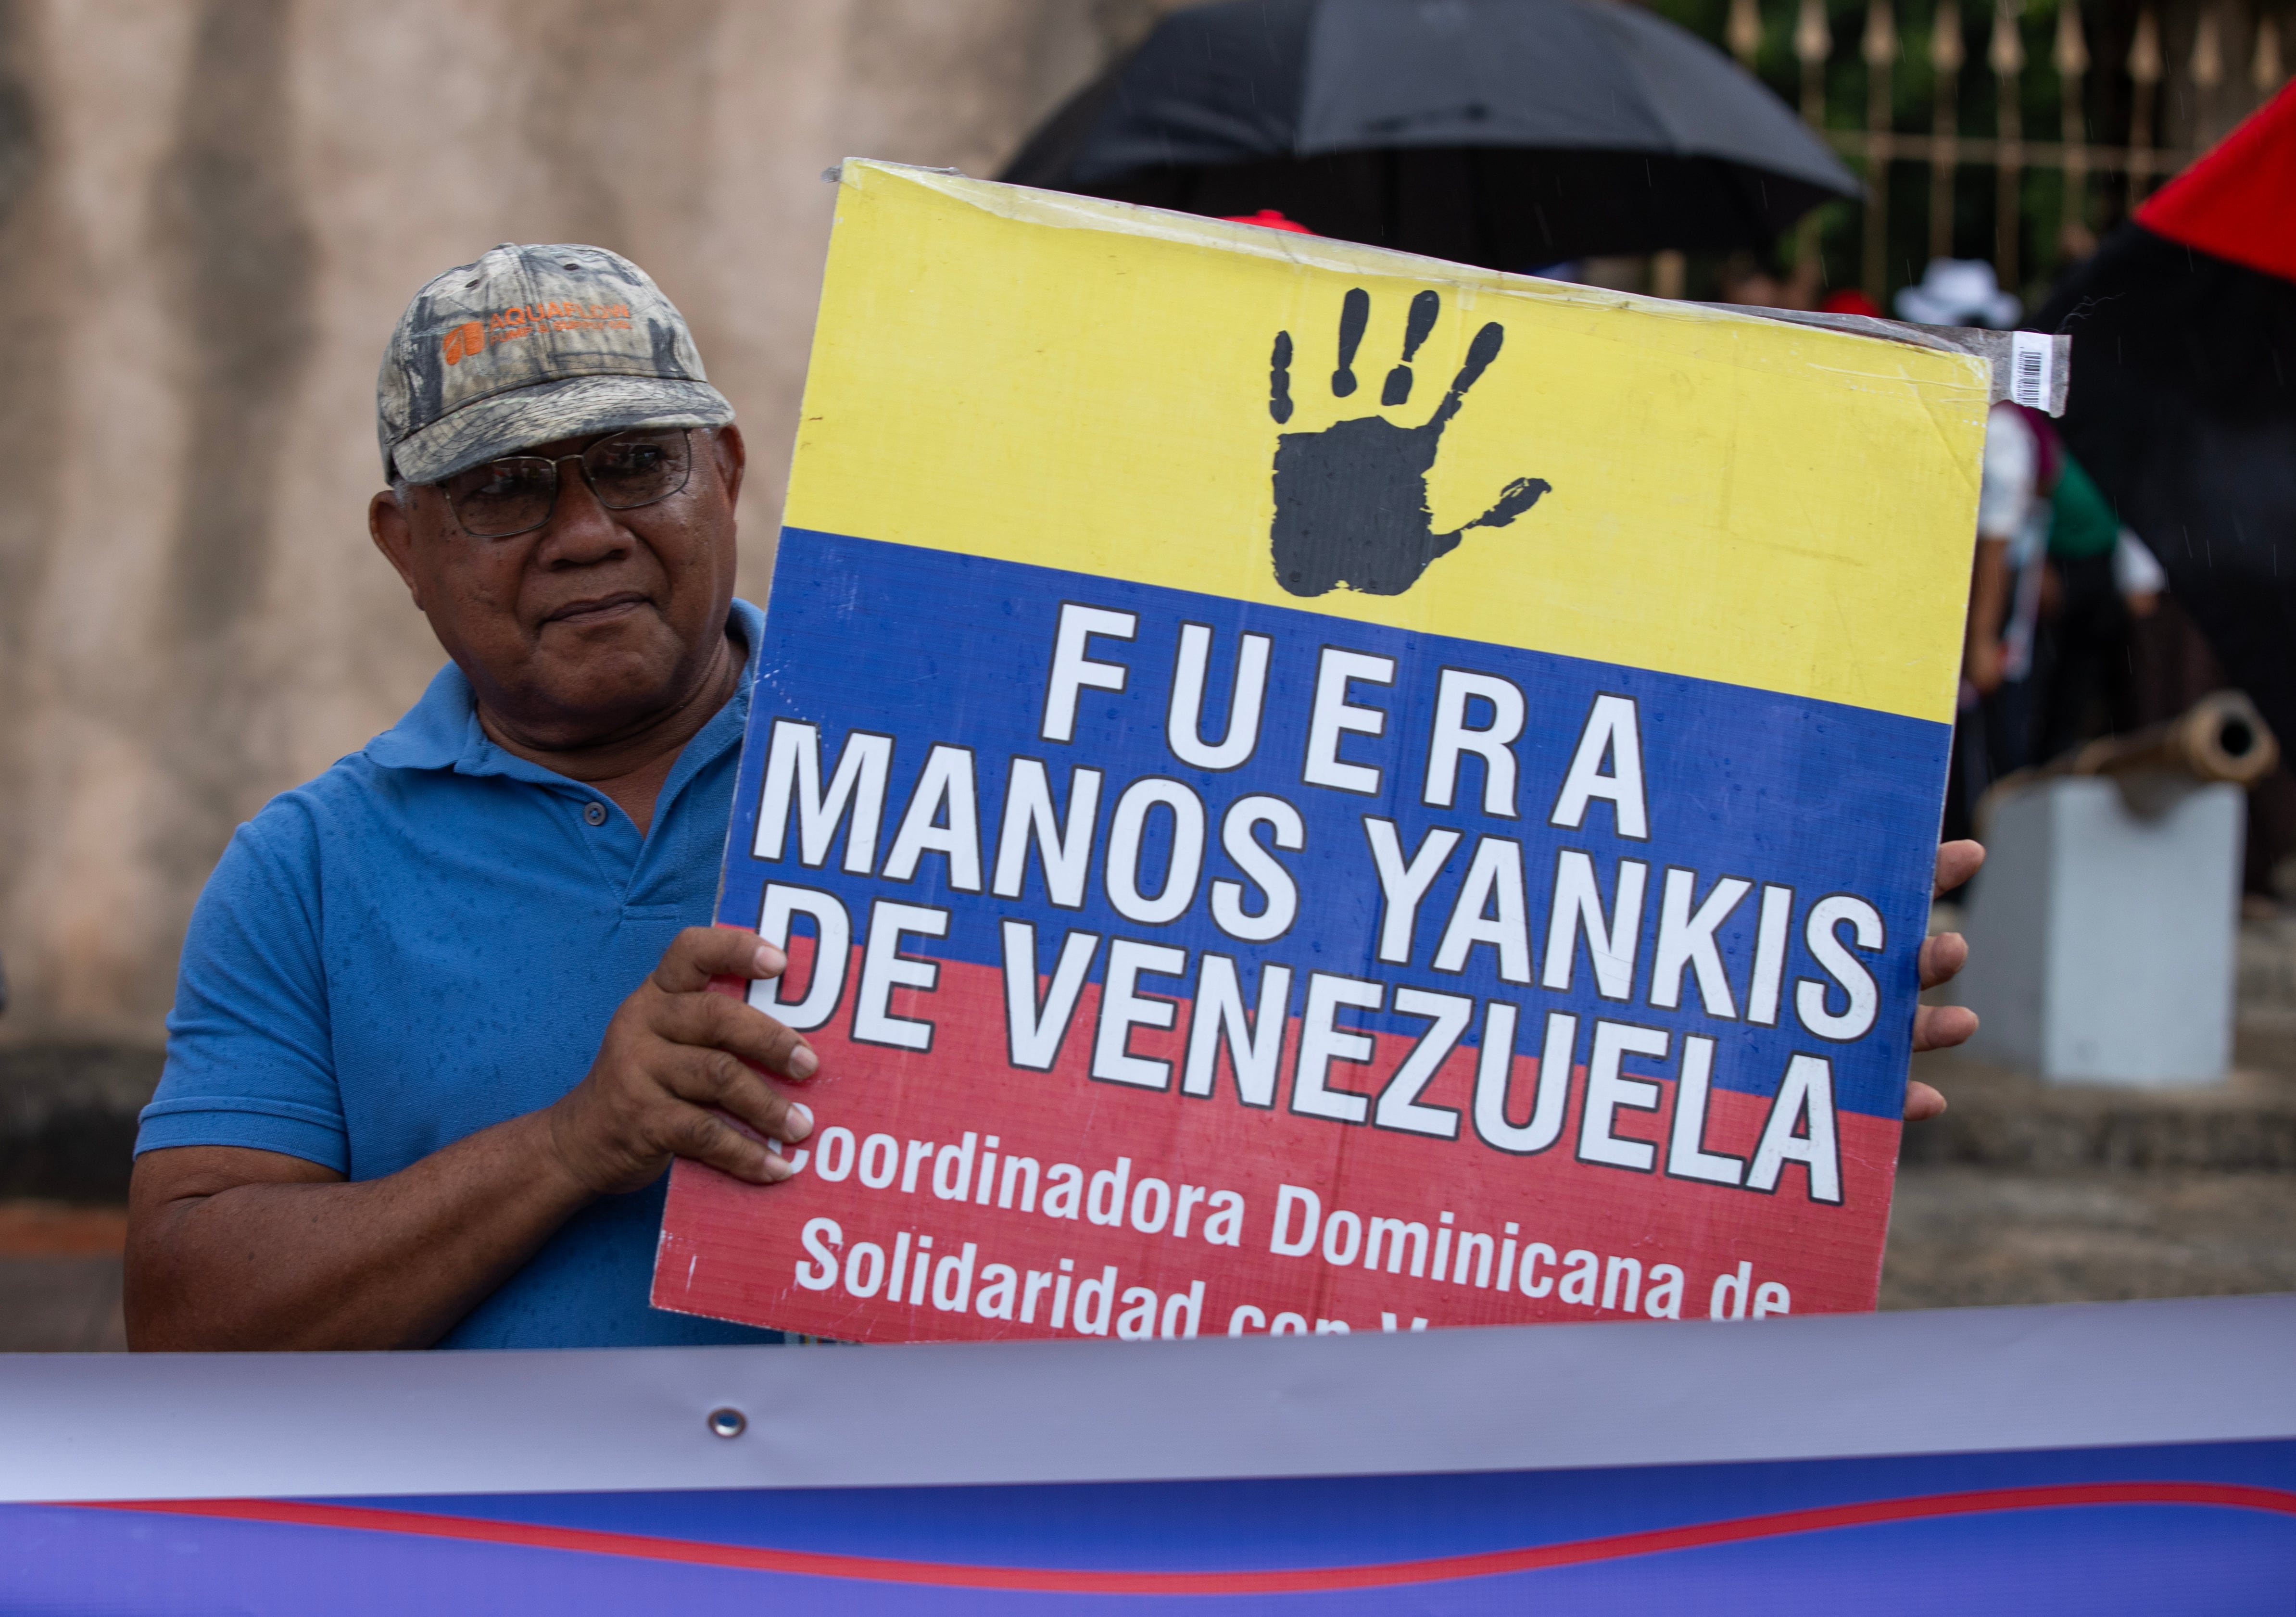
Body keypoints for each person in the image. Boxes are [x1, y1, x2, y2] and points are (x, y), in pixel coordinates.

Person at [123, 244, 1985, 1351]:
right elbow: (189, 1319)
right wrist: (577, 1139)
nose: (588, 530)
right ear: (402, 543)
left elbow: (1380, 1045)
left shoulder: (985, 752)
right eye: (506, 491)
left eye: (632, 465)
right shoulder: (309, 868)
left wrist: (1726, 1020)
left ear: (728, 472)